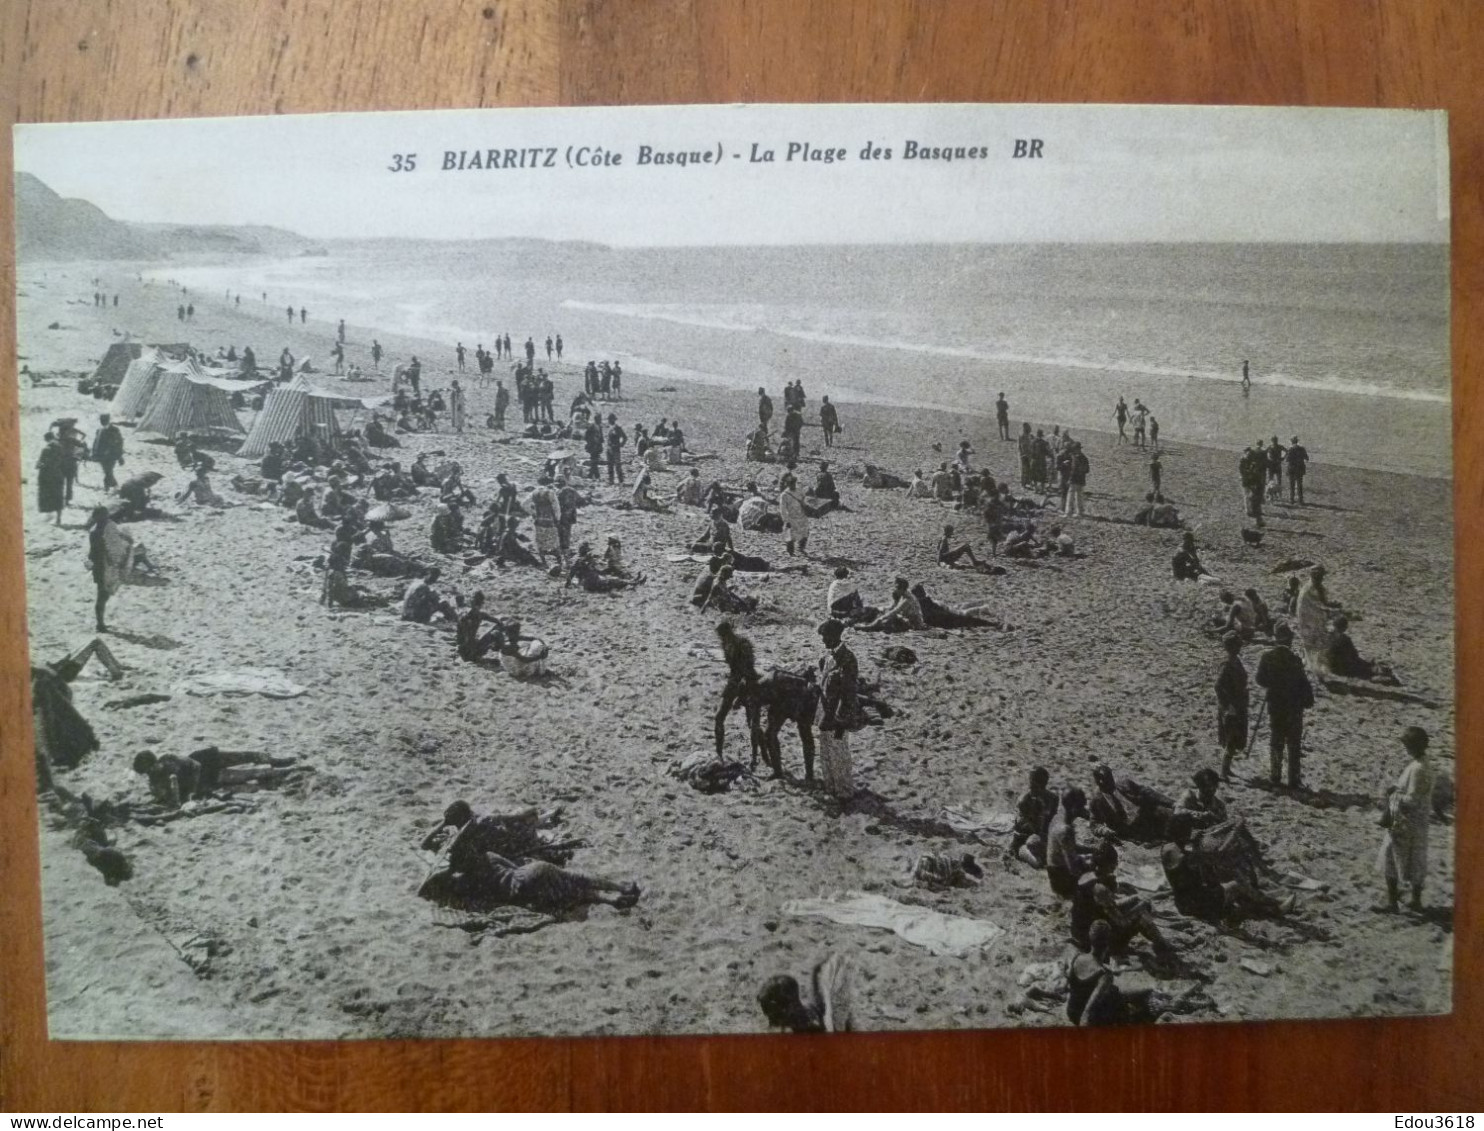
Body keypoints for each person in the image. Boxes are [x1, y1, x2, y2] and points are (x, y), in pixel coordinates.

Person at [1070, 842, 1170, 955]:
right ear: (1108, 864)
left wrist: (1134, 898)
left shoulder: (1087, 876)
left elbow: (1107, 906)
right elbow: (1121, 922)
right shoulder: (1100, 888)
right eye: (1114, 864)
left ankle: (1161, 944)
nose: (1116, 866)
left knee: (1137, 902)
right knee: (1142, 915)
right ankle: (1163, 948)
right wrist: (1140, 907)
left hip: (1080, 931)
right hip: (1092, 940)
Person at [1376, 726, 1434, 914]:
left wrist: (1395, 795)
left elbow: (1413, 799)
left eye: (1407, 745)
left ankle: (1392, 902)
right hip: (1419, 822)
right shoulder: (1424, 763)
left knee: (1390, 857)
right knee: (1417, 859)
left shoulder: (1417, 768)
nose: (1406, 748)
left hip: (1405, 821)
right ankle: (1416, 900)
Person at [1254, 623, 1314, 789]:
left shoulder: (1267, 657)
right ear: (1289, 640)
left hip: (1275, 706)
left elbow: (1259, 679)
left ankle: (1275, 775)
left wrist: (1272, 683)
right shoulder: (1295, 660)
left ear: (1275, 638)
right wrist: (1308, 699)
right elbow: (1303, 683)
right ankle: (1293, 779)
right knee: (1294, 743)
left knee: (1276, 740)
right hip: (1293, 708)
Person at [1067, 921, 1160, 1027]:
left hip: (1072, 1011)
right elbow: (1088, 1011)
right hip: (1087, 1018)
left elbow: (1075, 985)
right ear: (1108, 942)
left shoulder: (1078, 957)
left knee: (1116, 992)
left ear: (1090, 937)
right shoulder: (1103, 975)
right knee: (1140, 1005)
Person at [815, 619, 861, 799]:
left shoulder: (847, 659)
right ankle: (831, 788)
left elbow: (849, 692)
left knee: (839, 754)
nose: (823, 640)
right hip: (826, 714)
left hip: (838, 716)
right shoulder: (827, 658)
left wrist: (842, 719)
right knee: (826, 752)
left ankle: (844, 793)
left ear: (835, 636)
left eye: (826, 636)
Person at [712, 621, 762, 758]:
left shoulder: (743, 644)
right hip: (734, 682)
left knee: (752, 722)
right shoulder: (725, 645)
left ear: (729, 632)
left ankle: (756, 756)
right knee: (719, 717)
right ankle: (719, 754)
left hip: (749, 683)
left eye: (724, 635)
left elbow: (748, 666)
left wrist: (741, 692)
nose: (722, 638)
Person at [1215, 633, 1249, 781]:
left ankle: (1227, 769)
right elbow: (1218, 686)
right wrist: (1228, 705)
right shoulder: (1227, 664)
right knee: (1230, 737)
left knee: (1235, 738)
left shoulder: (1236, 661)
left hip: (1239, 703)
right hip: (1231, 707)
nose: (1240, 647)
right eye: (1237, 645)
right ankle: (1223, 772)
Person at [1045, 787, 1091, 898]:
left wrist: (1091, 850)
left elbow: (1071, 848)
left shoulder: (1059, 819)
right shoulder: (1065, 830)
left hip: (1056, 872)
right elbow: (1073, 868)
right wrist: (1090, 865)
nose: (1083, 810)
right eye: (1081, 807)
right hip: (1061, 880)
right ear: (1074, 808)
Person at [1008, 767, 1057, 866]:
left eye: (1036, 784)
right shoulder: (1025, 801)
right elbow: (1030, 828)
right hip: (1025, 839)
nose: (1031, 786)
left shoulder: (1053, 798)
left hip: (1045, 837)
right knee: (1027, 849)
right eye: (1032, 782)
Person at [1295, 565, 1333, 674]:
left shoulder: (1318, 588)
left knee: (1320, 644)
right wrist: (1330, 609)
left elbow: (1324, 602)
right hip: (1308, 621)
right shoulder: (1308, 590)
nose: (1321, 578)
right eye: (1319, 576)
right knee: (1311, 644)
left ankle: (1318, 667)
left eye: (1321, 576)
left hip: (1318, 621)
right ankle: (1314, 669)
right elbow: (1318, 605)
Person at [566, 542, 646, 593]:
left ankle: (632, 581)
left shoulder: (581, 562)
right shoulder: (582, 562)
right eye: (589, 552)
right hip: (592, 584)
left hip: (592, 583)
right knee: (613, 581)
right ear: (586, 552)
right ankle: (633, 582)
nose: (590, 554)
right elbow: (596, 572)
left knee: (612, 579)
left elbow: (570, 577)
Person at [856, 576, 925, 633]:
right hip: (907, 619)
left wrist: (880, 619)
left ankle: (870, 627)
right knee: (882, 613)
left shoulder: (907, 600)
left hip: (914, 624)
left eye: (896, 587)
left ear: (901, 589)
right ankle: (870, 624)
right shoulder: (903, 594)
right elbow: (892, 607)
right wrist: (882, 608)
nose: (894, 589)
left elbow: (895, 611)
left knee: (887, 620)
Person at [456, 591, 506, 662]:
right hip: (468, 652)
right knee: (496, 633)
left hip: (466, 650)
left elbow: (498, 622)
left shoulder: (475, 615)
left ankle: (496, 650)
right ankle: (501, 652)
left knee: (496, 630)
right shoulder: (467, 618)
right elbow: (464, 639)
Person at [36, 434, 67, 524]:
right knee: (58, 497)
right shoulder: (61, 448)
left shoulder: (45, 450)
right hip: (58, 475)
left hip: (47, 476)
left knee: (48, 496)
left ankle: (49, 515)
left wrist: (39, 465)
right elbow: (64, 463)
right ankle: (58, 518)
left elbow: (39, 464)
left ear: (46, 440)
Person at [778, 473, 809, 556]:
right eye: (790, 483)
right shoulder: (784, 495)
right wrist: (786, 520)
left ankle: (801, 547)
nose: (792, 485)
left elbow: (804, 500)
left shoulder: (799, 491)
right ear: (787, 484)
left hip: (802, 515)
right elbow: (783, 509)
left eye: (793, 483)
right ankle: (790, 551)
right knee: (790, 534)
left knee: (805, 532)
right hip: (791, 516)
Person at [92, 413, 125, 491]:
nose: (102, 421)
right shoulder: (99, 430)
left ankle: (109, 487)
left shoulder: (114, 430)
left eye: (103, 420)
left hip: (111, 455)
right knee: (107, 471)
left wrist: (119, 455)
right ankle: (113, 486)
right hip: (101, 455)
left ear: (107, 420)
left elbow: (119, 442)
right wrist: (94, 453)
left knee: (108, 471)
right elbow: (96, 442)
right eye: (101, 420)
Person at [1286, 436, 1309, 504]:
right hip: (1300, 468)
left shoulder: (1290, 449)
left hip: (1292, 468)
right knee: (1299, 485)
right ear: (1297, 441)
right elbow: (1307, 458)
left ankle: (1291, 499)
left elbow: (1287, 459)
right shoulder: (1302, 448)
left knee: (1292, 485)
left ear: (1292, 442)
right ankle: (1300, 500)